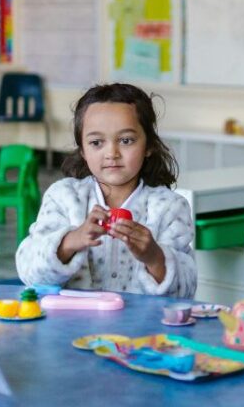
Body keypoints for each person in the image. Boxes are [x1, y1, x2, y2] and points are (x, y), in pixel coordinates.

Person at [16, 83, 196, 298]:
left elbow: (186, 290)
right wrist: (70, 241)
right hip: (72, 326)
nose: (112, 153)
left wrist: (154, 257)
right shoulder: (63, 197)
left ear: (149, 146)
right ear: (82, 149)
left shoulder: (170, 207)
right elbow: (29, 273)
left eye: (126, 140)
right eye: (96, 142)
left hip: (141, 329)